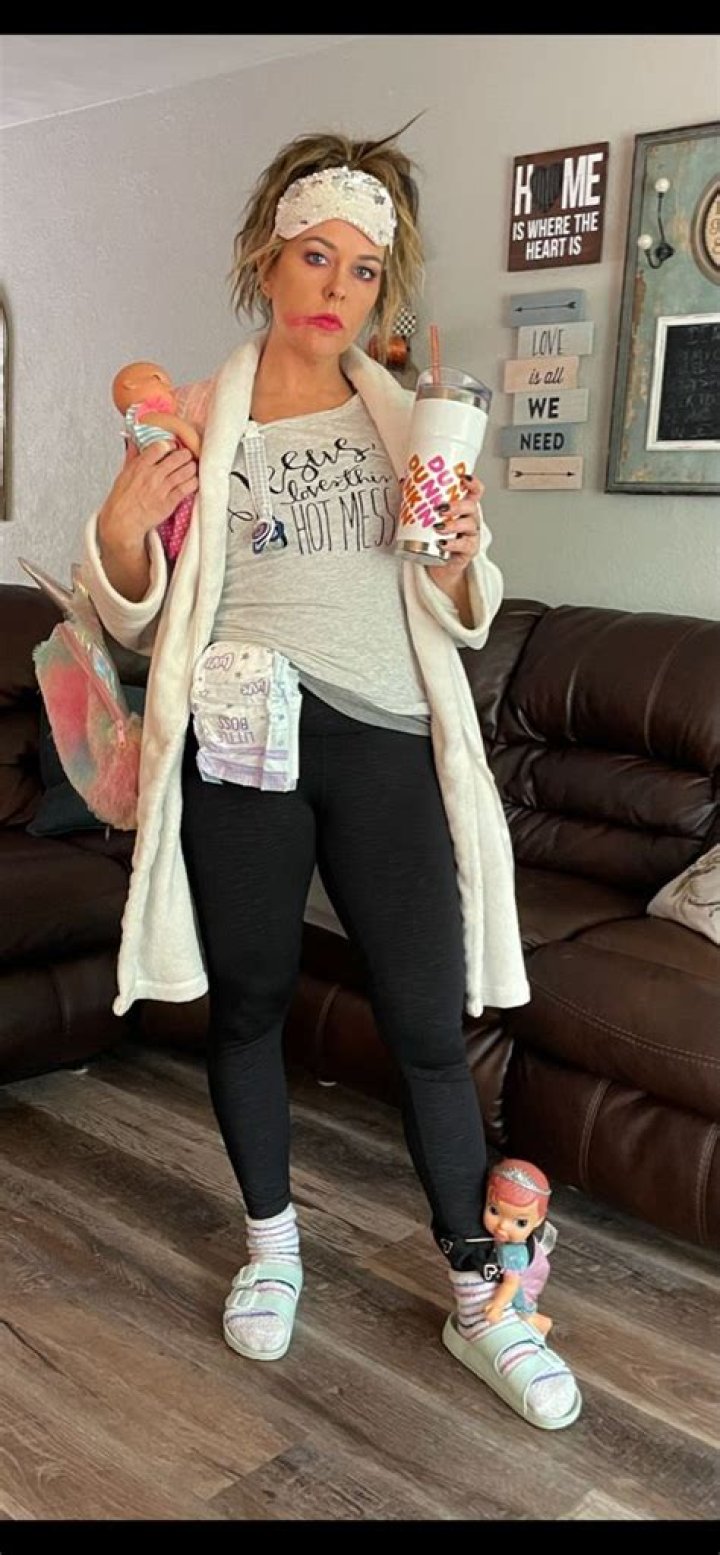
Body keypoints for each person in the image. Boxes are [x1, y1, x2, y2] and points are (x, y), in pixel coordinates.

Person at [83, 124, 582, 1431]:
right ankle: (271, 1243)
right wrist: (122, 531)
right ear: (267, 258)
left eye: (365, 270)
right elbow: (138, 606)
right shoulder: (199, 417)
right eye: (317, 256)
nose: (337, 289)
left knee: (425, 1024)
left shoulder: (412, 419)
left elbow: (464, 602)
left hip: (383, 739)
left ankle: (481, 1292)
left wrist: (464, 553)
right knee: (251, 1001)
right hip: (242, 735)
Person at [111, 360, 202, 561]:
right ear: (130, 385)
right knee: (186, 511)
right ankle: (179, 548)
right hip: (172, 472)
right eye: (158, 379)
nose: (169, 388)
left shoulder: (134, 430)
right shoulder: (146, 416)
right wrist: (204, 453)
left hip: (163, 480)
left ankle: (174, 549)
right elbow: (182, 429)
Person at [482, 1158, 555, 1336]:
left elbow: (511, 1283)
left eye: (520, 1222)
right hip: (524, 1266)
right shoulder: (505, 1237)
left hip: (524, 1278)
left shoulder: (514, 1253)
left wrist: (498, 1305)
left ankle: (538, 1323)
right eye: (494, 1211)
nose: (502, 1226)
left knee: (519, 1306)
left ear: (538, 1221)